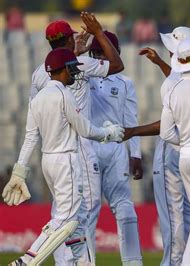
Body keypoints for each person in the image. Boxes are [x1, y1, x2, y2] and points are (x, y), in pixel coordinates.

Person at [3, 48, 124, 266]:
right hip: (66, 160)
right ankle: (26, 261)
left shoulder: (37, 98)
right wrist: (109, 133)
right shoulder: (63, 94)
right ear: (62, 69)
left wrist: (19, 172)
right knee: (66, 220)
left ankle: (82, 263)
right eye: (71, 69)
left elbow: (30, 138)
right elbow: (85, 129)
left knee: (79, 218)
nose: (74, 74)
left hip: (48, 161)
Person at [28, 12, 125, 265]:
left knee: (63, 213)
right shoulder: (82, 64)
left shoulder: (40, 73)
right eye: (73, 37)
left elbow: (34, 114)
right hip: (78, 147)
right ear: (69, 40)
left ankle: (64, 263)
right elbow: (117, 65)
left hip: (52, 149)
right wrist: (99, 32)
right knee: (81, 215)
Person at [137, 26, 190, 265]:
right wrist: (160, 64)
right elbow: (177, 77)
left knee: (176, 222)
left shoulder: (174, 85)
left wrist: (132, 132)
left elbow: (166, 129)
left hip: (175, 156)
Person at [87, 30, 143, 264]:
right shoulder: (82, 76)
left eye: (104, 51)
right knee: (89, 208)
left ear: (115, 53)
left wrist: (136, 154)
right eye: (96, 52)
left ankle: (133, 262)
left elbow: (131, 120)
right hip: (88, 146)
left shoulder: (124, 83)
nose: (100, 57)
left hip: (115, 148)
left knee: (124, 207)